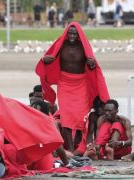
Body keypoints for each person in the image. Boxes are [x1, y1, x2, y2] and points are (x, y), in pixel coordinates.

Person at [35, 22, 109, 152]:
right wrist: (45, 60)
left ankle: (77, 146)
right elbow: (49, 56)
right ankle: (70, 149)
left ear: (79, 34)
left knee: (80, 118)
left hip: (81, 83)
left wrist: (91, 65)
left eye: (74, 33)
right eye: (70, 33)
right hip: (64, 83)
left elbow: (92, 65)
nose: (72, 36)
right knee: (66, 118)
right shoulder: (61, 44)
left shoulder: (83, 46)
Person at [0, 86, 64, 169]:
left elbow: (57, 144)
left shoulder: (48, 119)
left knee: (9, 150)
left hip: (24, 152)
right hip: (12, 151)